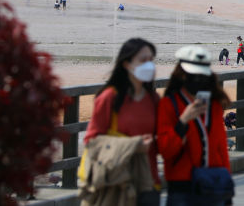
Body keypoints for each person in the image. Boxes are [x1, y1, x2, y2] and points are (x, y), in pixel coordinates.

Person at [84, 38, 160, 205]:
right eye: (143, 60)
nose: (149, 65)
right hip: (117, 184)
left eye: (151, 60)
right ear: (126, 64)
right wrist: (134, 145)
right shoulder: (110, 98)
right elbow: (91, 140)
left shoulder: (153, 99)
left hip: (149, 181)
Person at [157, 46, 233, 206]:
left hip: (213, 182)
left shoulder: (214, 105)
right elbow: (166, 150)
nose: (197, 79)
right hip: (182, 186)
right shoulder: (169, 104)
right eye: (193, 75)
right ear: (182, 74)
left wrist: (227, 188)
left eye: (201, 75)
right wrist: (183, 121)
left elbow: (221, 148)